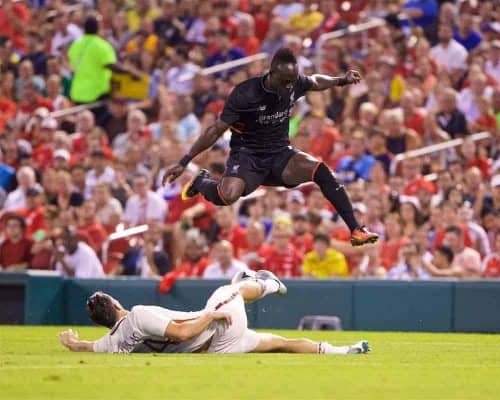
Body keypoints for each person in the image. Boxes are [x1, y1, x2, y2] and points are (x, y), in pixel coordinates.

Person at [162, 48, 378, 247]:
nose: (288, 87)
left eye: (292, 82)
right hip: (248, 155)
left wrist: (341, 80)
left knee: (322, 171)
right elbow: (215, 130)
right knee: (227, 195)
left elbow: (315, 81)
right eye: (284, 81)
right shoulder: (246, 93)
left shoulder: (294, 83)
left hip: (280, 154)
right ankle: (202, 182)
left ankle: (356, 229)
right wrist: (185, 161)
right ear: (271, 74)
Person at [58, 270, 370, 354]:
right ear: (114, 305)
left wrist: (76, 344)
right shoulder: (136, 314)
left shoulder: (111, 344)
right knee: (228, 292)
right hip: (215, 330)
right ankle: (269, 283)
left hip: (214, 351)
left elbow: (93, 345)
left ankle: (343, 352)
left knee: (278, 343)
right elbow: (182, 331)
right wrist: (212, 315)